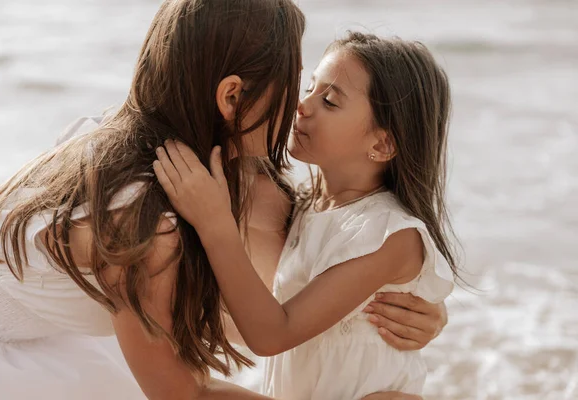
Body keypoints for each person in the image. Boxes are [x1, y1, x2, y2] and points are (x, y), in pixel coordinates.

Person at [154, 32, 458, 399]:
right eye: (310, 87)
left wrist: (214, 225)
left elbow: (272, 334)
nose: (302, 105)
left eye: (329, 101)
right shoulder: (306, 206)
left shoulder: (390, 234)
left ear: (382, 144)